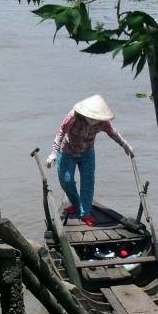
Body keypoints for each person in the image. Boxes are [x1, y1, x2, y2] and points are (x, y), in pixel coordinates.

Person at [46, 94, 133, 227]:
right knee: (66, 181)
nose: (94, 120)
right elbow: (60, 133)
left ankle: (85, 213)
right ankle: (76, 204)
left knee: (88, 182)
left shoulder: (103, 122)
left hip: (87, 153)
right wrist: (53, 152)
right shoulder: (73, 117)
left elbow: (112, 133)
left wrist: (124, 144)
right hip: (68, 151)